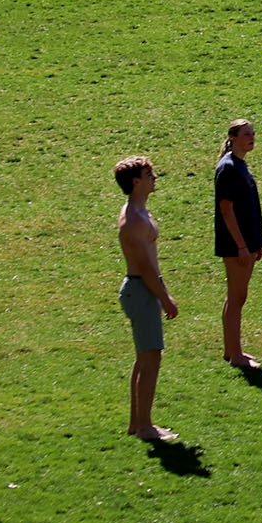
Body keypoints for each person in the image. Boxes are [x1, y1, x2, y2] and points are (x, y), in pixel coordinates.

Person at [115, 155, 180, 444]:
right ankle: (145, 427)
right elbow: (144, 267)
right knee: (151, 360)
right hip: (142, 289)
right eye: (148, 173)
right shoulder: (134, 221)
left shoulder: (139, 211)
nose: (154, 177)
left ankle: (136, 423)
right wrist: (165, 298)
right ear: (135, 182)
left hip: (142, 288)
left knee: (144, 360)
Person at [212, 120, 262, 370]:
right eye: (246, 134)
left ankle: (231, 350)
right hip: (237, 245)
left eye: (253, 134)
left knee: (235, 297)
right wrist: (242, 246)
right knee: (237, 297)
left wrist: (256, 244)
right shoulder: (229, 168)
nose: (251, 138)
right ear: (232, 137)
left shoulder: (239, 165)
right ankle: (235, 355)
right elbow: (226, 210)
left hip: (246, 243)